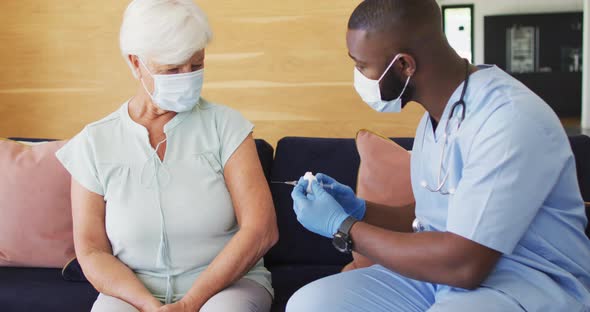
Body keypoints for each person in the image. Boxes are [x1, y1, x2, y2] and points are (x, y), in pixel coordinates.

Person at [287, 0, 590, 311]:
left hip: (525, 283)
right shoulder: (435, 119)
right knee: (310, 304)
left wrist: (344, 226)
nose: (358, 76)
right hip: (439, 276)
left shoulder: (509, 120)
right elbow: (432, 215)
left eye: (362, 65)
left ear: (404, 65)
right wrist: (362, 209)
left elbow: (465, 265)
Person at [55, 1, 277, 311]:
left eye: (196, 64)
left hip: (229, 286)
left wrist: (189, 304)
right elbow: (92, 252)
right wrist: (146, 305)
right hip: (131, 291)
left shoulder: (227, 126)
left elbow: (261, 229)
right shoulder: (93, 143)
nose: (187, 76)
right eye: (172, 69)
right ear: (136, 64)